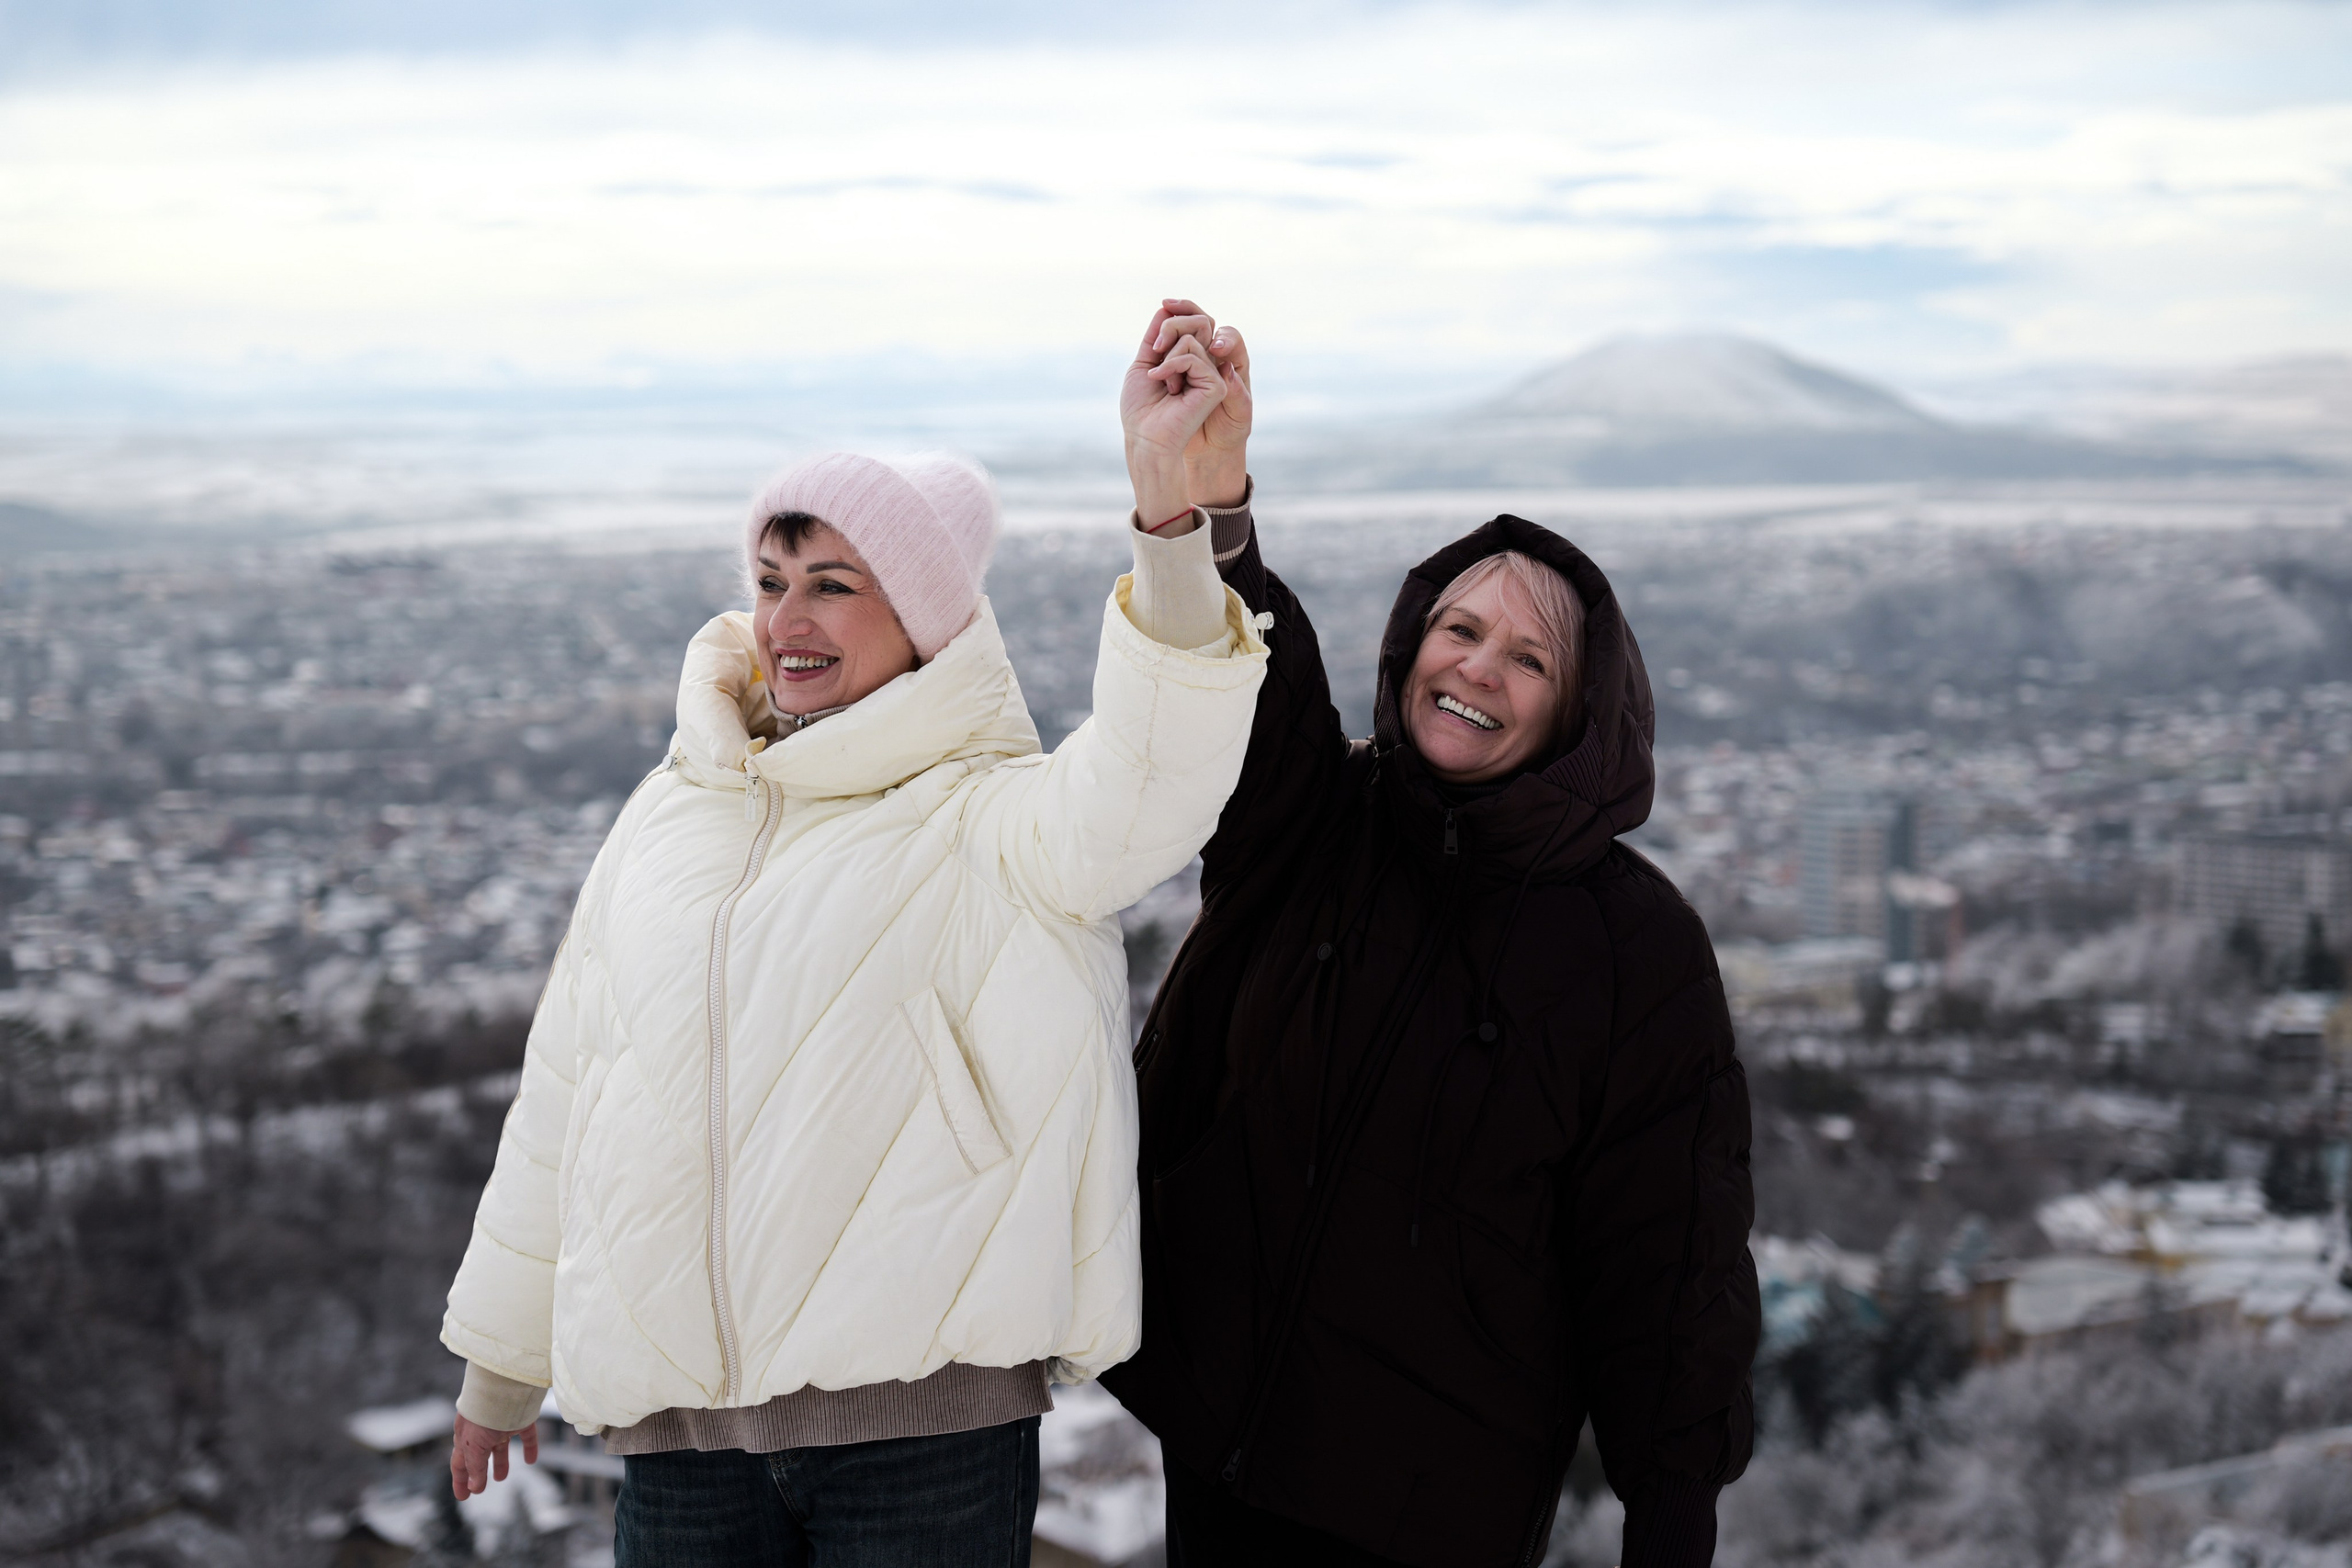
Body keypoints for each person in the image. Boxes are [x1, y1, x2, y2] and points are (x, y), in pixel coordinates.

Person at [437, 301, 1267, 1566]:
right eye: (771, 584)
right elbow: (570, 1094)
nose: (788, 621)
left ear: (925, 619)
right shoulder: (675, 813)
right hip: (679, 1439)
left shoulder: (997, 812)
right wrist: (501, 1361)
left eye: (835, 585)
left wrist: (1171, 519)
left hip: (921, 1429)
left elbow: (1159, 778)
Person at [1101, 313, 1761, 1567]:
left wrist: (1671, 1522)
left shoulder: (1634, 951)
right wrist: (1204, 497)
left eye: (1528, 658)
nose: (1478, 668)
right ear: (1413, 642)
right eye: (1460, 631)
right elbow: (1244, 672)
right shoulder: (1320, 818)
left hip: (1430, 1504)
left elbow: (1669, 1267)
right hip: (1214, 1437)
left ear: (1579, 710)